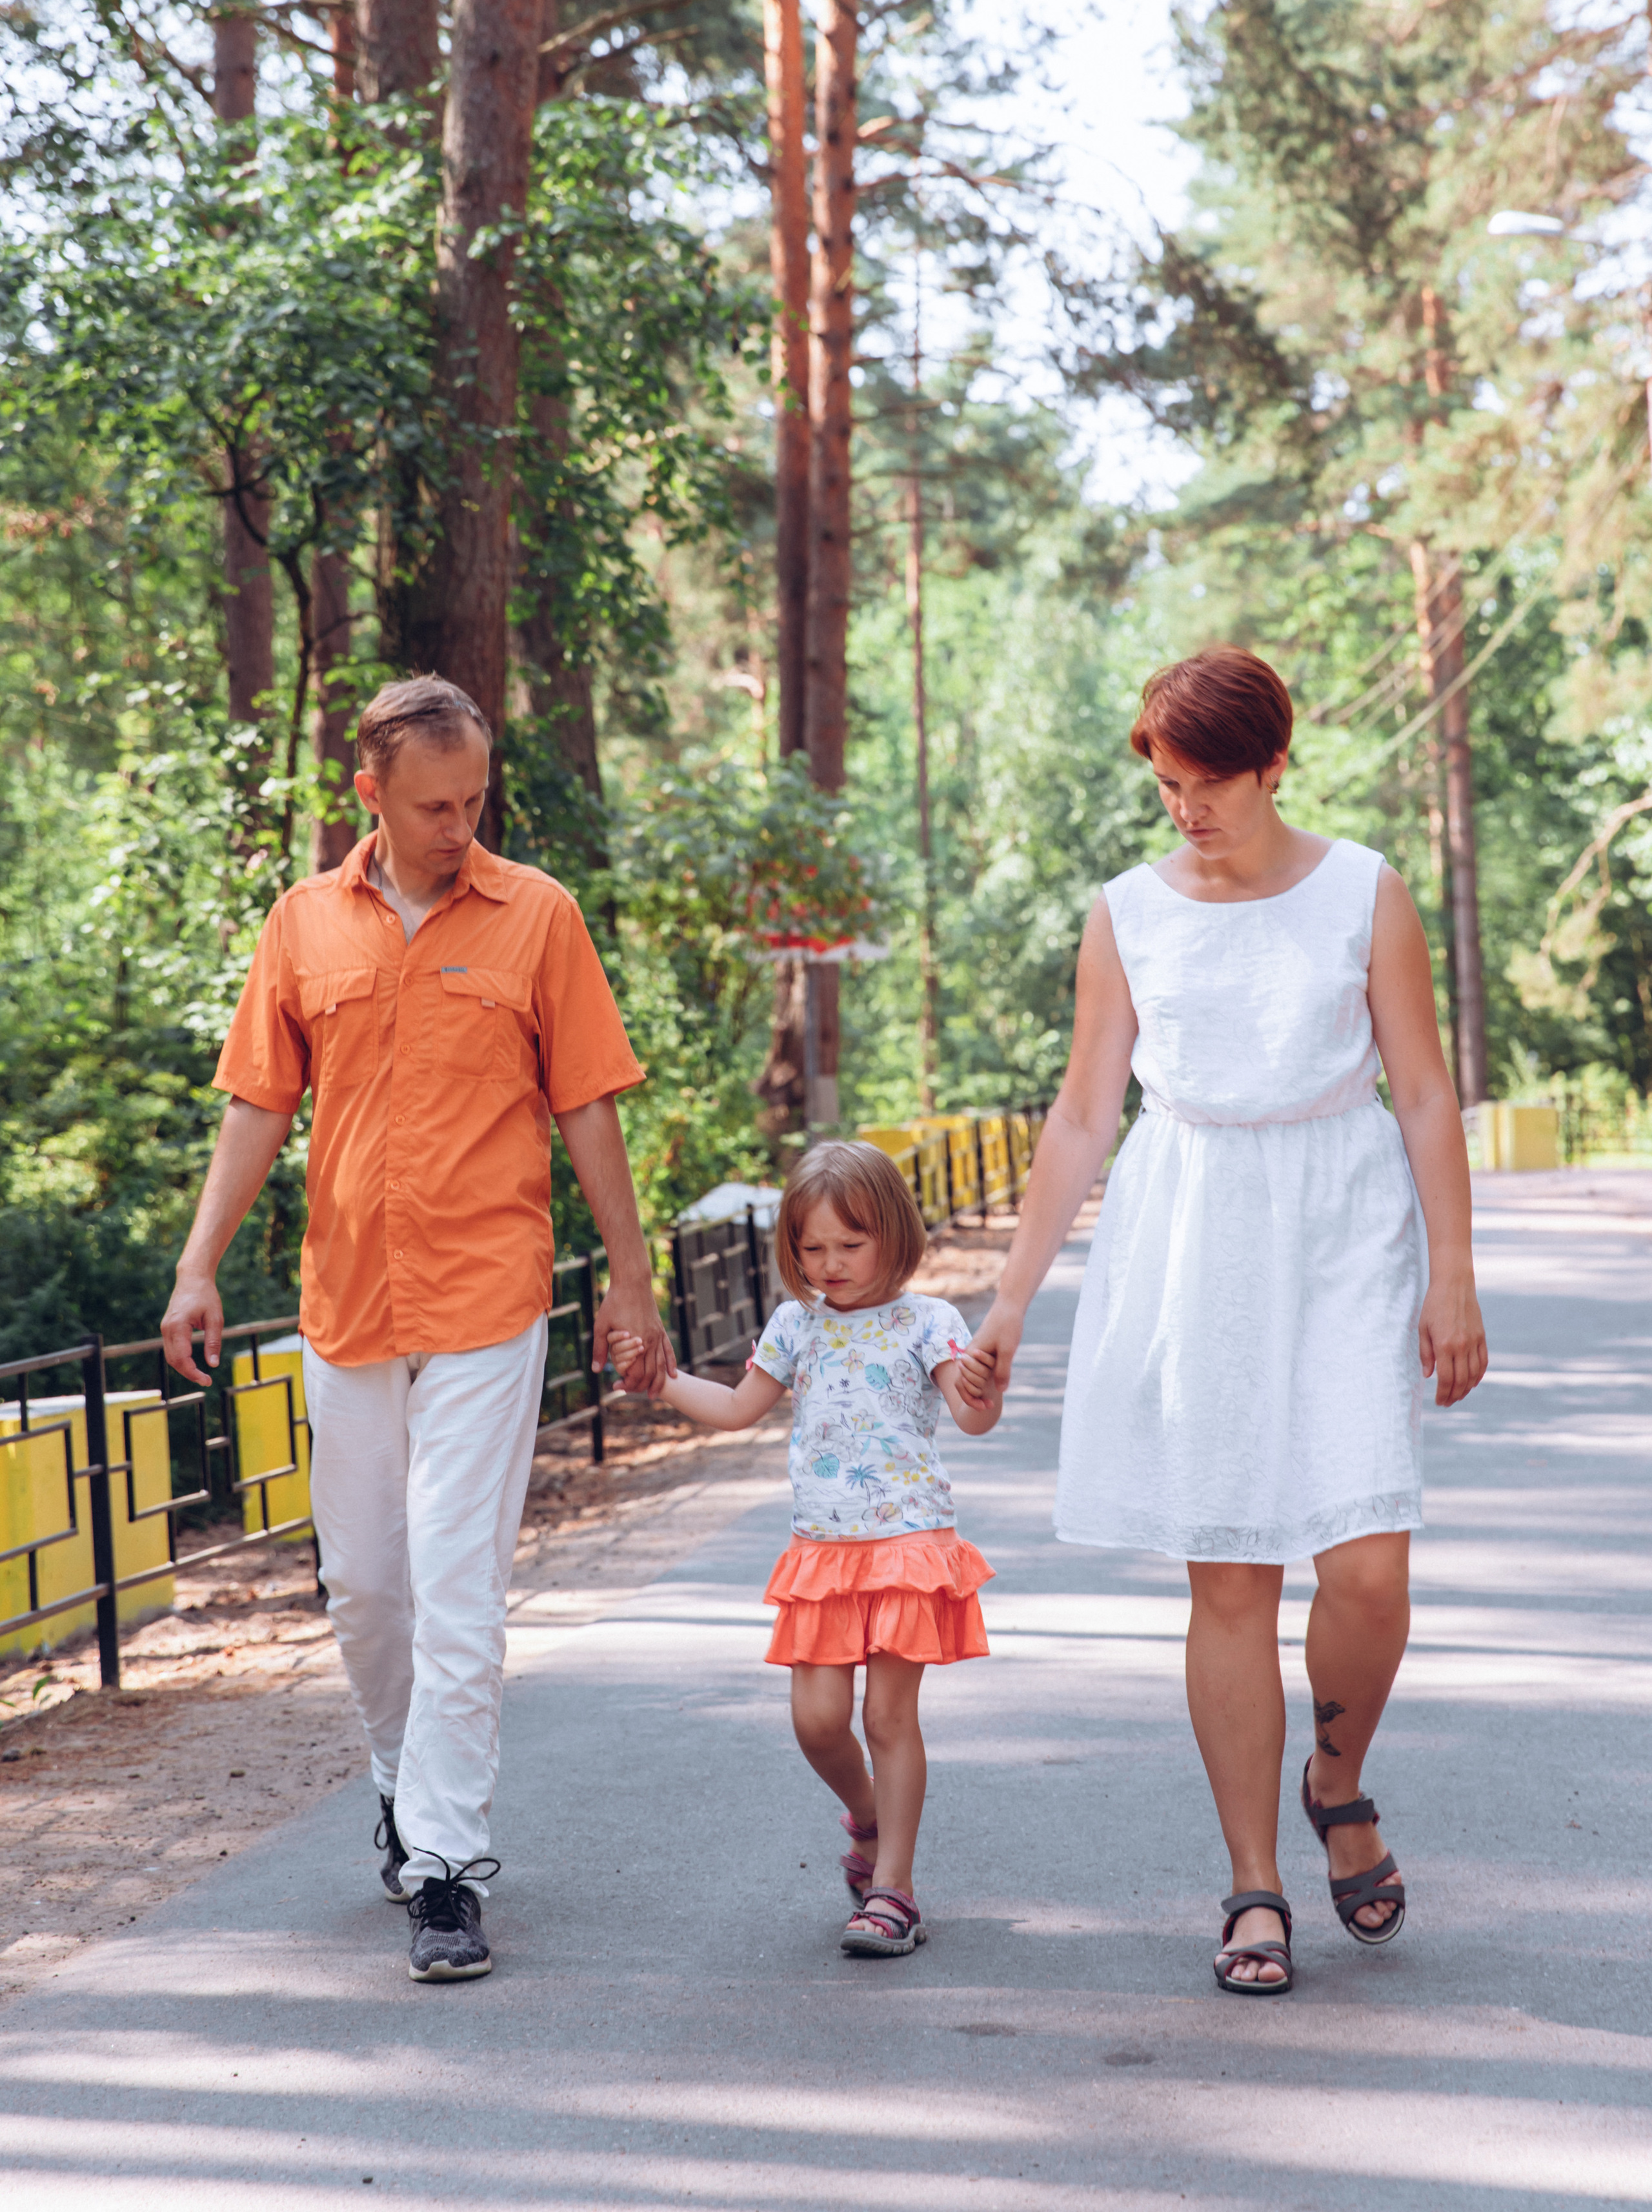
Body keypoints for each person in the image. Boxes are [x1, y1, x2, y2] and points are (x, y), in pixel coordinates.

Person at [960, 646, 1487, 1997]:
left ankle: (1336, 1774)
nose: (1181, 809)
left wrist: (1452, 1273)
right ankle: (1253, 1883)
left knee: (1365, 1565)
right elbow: (1083, 1115)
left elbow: (1422, 1094)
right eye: (1163, 786)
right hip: (1190, 1236)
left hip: (1341, 1224)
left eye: (1204, 785)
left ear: (1271, 767)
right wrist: (1008, 1304)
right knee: (1230, 1576)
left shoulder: (1364, 893)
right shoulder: (1126, 912)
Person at [161, 676, 673, 1984]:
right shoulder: (301, 928)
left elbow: (591, 1107)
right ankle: (398, 1778)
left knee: (456, 1593)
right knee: (367, 1593)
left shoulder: (535, 916)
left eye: (475, 802)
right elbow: (258, 1108)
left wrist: (627, 1276)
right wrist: (197, 1266)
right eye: (435, 806)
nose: (460, 825)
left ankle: (444, 1867)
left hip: (488, 1302)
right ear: (369, 795)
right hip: (345, 1308)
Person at [609, 1140, 1002, 1956]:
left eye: (850, 1246)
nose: (831, 1264)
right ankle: (867, 1819)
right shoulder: (796, 1324)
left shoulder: (929, 1321)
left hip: (906, 1545)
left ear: (894, 1233)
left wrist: (985, 1389)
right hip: (823, 1552)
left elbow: (969, 1416)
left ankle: (893, 1890)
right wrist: (662, 1382)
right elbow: (735, 1408)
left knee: (889, 1716)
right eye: (812, 1249)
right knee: (818, 1723)